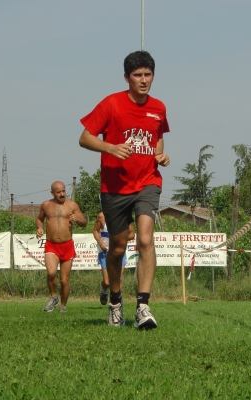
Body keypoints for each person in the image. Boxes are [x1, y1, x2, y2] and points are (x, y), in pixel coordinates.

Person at [79, 50, 170, 329]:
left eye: (148, 74)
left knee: (145, 239)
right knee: (117, 249)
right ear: (127, 77)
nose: (143, 80)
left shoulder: (159, 108)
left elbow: (157, 140)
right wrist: (110, 147)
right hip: (115, 186)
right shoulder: (112, 104)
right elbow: (84, 137)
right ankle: (116, 302)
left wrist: (160, 156)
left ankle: (142, 306)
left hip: (147, 183)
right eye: (137, 75)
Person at [36, 181, 87, 313]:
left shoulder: (72, 205)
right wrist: (40, 228)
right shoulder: (46, 205)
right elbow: (39, 219)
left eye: (63, 191)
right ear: (52, 193)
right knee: (51, 272)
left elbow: (84, 223)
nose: (62, 194)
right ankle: (53, 297)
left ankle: (63, 306)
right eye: (58, 192)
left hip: (67, 245)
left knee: (64, 280)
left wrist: (78, 219)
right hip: (51, 245)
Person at [93, 211, 135, 305]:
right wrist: (100, 242)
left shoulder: (125, 216)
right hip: (105, 252)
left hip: (120, 251)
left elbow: (132, 234)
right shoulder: (101, 216)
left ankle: (118, 300)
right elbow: (95, 231)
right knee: (107, 282)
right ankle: (104, 291)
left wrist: (121, 237)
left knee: (119, 278)